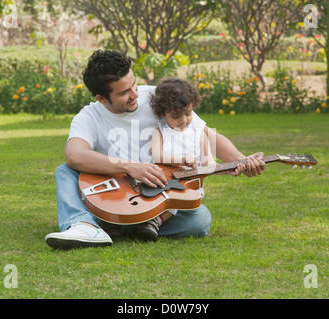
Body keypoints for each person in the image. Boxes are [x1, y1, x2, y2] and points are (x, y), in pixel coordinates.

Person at [45, 49, 265, 250]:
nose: (135, 95)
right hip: (114, 192)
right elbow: (74, 155)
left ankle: (120, 225)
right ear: (102, 98)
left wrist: (242, 161)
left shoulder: (157, 97)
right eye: (124, 93)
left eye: (134, 84)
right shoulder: (89, 117)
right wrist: (130, 167)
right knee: (65, 171)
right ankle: (83, 225)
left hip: (157, 199)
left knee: (200, 221)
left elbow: (205, 134)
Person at [150, 78, 216, 200]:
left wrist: (230, 169)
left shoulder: (199, 134)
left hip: (192, 189)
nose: (183, 121)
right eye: (176, 116)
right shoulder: (160, 132)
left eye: (188, 114)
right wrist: (181, 160)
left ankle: (159, 219)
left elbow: (210, 164)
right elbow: (155, 154)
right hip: (163, 186)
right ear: (163, 113)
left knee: (186, 202)